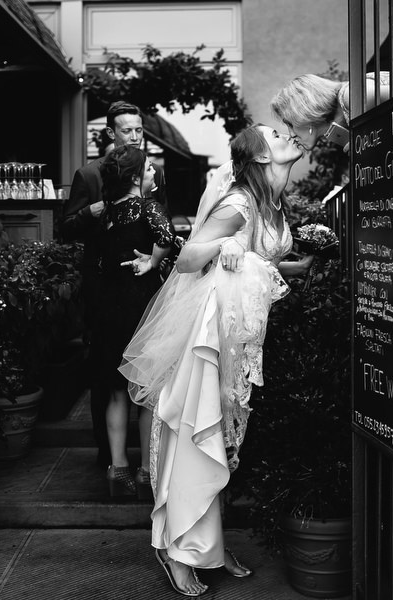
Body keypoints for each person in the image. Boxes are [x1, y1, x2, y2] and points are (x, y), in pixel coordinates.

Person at [119, 125, 314, 596]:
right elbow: (188, 258)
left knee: (227, 441)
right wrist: (222, 245)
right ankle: (175, 548)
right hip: (211, 337)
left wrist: (296, 266)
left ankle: (209, 542)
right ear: (261, 157)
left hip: (240, 335)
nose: (286, 133)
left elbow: (256, 255)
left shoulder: (270, 202)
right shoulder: (238, 203)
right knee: (197, 435)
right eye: (274, 133)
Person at [62, 101, 168, 469]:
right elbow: (65, 229)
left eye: (140, 130)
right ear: (111, 132)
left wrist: (155, 260)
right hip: (103, 282)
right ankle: (109, 455)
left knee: (141, 371)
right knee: (106, 372)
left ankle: (132, 460)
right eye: (128, 131)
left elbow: (162, 232)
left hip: (143, 285)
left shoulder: (151, 174)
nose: (136, 136)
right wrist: (88, 214)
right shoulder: (88, 175)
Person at [90, 144, 174, 497]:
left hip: (109, 307)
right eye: (150, 169)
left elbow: (97, 259)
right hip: (141, 308)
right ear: (136, 177)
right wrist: (153, 262)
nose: (154, 173)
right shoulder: (148, 207)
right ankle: (145, 472)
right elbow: (167, 239)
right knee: (145, 391)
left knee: (115, 391)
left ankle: (118, 468)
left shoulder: (107, 213)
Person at [270, 72, 393, 152]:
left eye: (290, 124)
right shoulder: (343, 115)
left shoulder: (350, 95)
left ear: (303, 111)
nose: (290, 134)